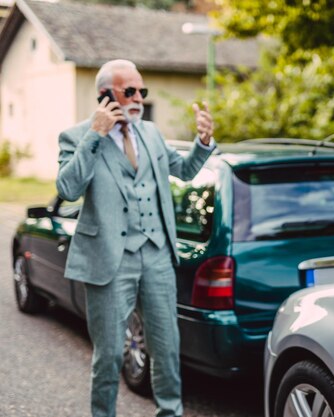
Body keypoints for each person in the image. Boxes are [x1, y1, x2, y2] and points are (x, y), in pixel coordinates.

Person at [56, 59, 217, 417]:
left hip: (158, 255)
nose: (138, 98)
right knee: (110, 354)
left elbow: (186, 171)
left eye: (141, 91)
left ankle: (170, 412)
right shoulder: (76, 136)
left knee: (166, 348)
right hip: (109, 260)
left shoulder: (152, 133)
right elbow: (67, 188)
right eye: (129, 91)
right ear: (105, 96)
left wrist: (203, 141)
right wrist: (95, 135)